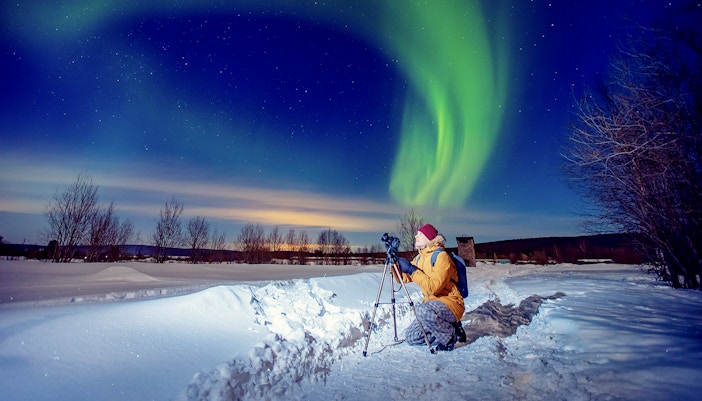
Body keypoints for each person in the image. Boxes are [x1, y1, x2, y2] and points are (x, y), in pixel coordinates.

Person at [397, 224, 465, 351]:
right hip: (431, 307)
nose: (416, 236)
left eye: (420, 234)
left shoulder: (441, 257)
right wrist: (394, 263)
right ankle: (449, 328)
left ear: (429, 238)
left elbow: (434, 287)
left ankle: (449, 336)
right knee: (411, 337)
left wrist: (412, 270)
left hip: (450, 303)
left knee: (422, 310)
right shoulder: (419, 258)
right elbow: (403, 279)